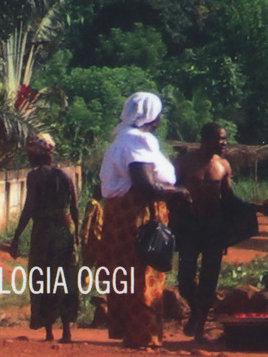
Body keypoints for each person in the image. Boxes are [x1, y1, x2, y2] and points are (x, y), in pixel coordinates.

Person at [92, 91, 189, 349]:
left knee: (125, 273)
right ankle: (144, 335)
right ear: (151, 116)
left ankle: (131, 332)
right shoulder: (137, 141)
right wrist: (178, 192)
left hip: (121, 216)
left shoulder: (120, 140)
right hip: (138, 214)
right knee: (144, 273)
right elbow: (146, 184)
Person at [174, 122, 268, 341]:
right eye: (220, 138)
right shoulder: (184, 162)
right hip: (190, 226)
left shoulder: (223, 166)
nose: (224, 143)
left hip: (213, 227)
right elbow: (172, 188)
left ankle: (200, 327)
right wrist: (181, 197)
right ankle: (194, 311)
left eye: (225, 138)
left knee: (209, 279)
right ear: (206, 139)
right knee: (184, 279)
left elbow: (230, 199)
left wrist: (258, 208)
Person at [8, 132, 79, 342]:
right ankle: (66, 331)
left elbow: (29, 208)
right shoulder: (67, 175)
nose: (29, 158)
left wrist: (16, 236)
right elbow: (75, 206)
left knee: (43, 277)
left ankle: (49, 331)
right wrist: (77, 235)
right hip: (65, 232)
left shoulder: (35, 177)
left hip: (44, 234)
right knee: (65, 278)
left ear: (38, 154)